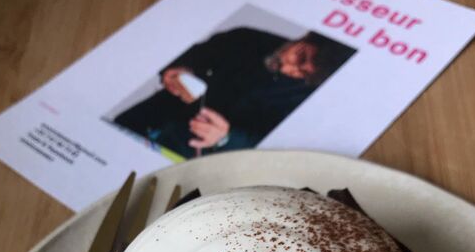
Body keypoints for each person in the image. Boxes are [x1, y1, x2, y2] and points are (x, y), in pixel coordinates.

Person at [112, 27, 356, 158]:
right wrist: (174, 70)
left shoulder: (310, 100)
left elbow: (273, 146)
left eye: (304, 74)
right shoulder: (246, 36)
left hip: (185, 154)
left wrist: (226, 138)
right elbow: (191, 53)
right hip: (144, 119)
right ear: (307, 36)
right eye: (300, 56)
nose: (289, 68)